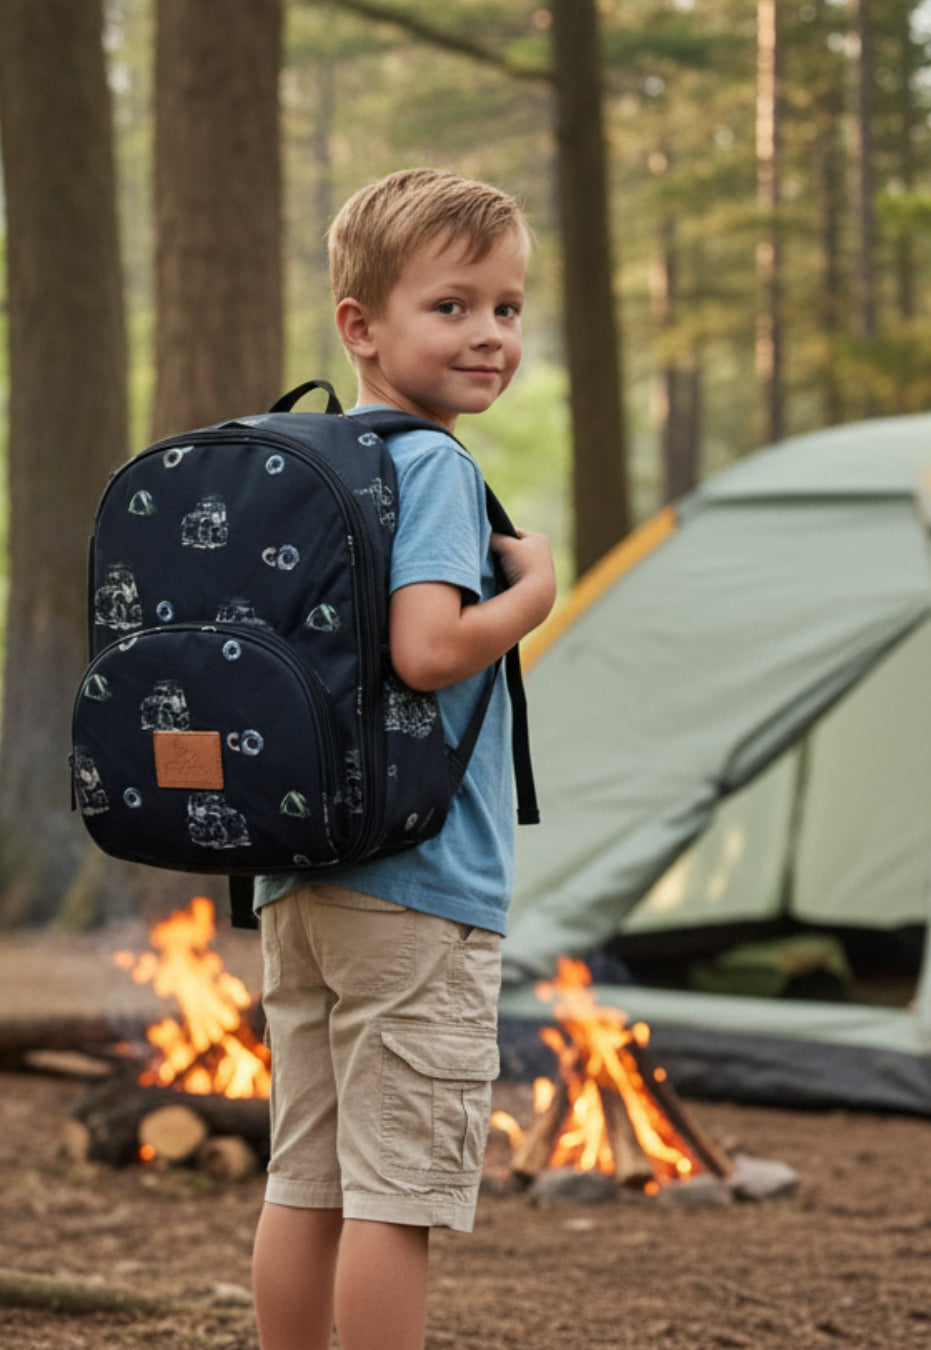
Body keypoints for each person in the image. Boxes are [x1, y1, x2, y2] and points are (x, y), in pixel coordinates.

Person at [250, 168, 556, 1350]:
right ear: (360, 327)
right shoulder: (428, 467)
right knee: (396, 1198)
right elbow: (429, 651)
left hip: (302, 878)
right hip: (420, 890)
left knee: (307, 1175)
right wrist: (531, 591)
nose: (488, 334)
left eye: (509, 308)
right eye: (453, 305)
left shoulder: (308, 462)